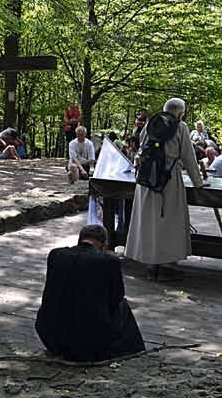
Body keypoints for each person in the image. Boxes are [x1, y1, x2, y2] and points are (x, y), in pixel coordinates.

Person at [35, 224, 145, 361]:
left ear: (80, 239)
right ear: (104, 244)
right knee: (123, 305)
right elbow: (116, 296)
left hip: (51, 334)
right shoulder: (109, 261)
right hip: (90, 340)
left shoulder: (56, 254)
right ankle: (131, 350)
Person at [125, 98, 205, 281]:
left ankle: (150, 264)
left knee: (148, 221)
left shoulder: (150, 124)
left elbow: (141, 151)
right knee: (169, 223)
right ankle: (166, 266)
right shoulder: (181, 127)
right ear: (180, 112)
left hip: (146, 180)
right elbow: (189, 158)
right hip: (169, 181)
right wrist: (198, 183)